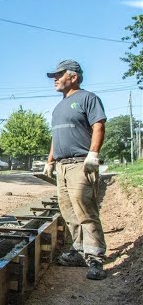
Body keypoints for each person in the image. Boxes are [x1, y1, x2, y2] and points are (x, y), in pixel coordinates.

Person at [43, 59, 107, 280]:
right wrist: (50, 161)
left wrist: (93, 154)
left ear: (73, 77)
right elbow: (56, 136)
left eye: (58, 75)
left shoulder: (88, 98)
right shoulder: (59, 106)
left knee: (85, 210)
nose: (55, 79)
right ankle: (80, 251)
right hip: (62, 166)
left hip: (80, 164)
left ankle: (96, 258)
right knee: (68, 211)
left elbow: (98, 125)